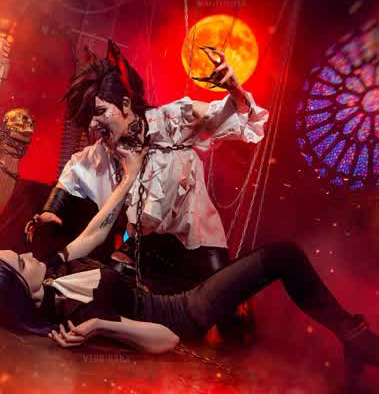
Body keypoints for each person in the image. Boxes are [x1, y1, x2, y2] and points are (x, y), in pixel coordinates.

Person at [0, 144, 379, 376]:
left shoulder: (52, 269)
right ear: (25, 292)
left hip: (160, 288)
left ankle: (354, 338)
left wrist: (130, 177)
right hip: (185, 312)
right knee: (283, 255)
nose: (27, 253)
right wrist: (101, 326)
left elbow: (95, 230)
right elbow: (168, 339)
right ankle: (358, 340)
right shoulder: (73, 317)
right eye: (21, 263)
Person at [25, 40, 269, 294]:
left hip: (196, 246)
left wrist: (234, 89)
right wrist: (48, 216)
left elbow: (239, 119)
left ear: (125, 104)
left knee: (219, 302)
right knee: (111, 284)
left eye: (100, 112)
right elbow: (70, 185)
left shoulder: (173, 120)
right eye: (88, 119)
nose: (94, 125)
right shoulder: (98, 156)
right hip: (144, 252)